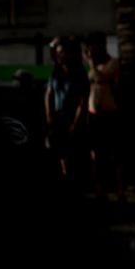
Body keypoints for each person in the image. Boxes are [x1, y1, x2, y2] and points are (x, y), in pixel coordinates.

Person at [83, 33, 126, 204]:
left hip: (110, 113)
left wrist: (91, 63)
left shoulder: (112, 63)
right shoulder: (92, 66)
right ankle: (100, 190)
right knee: (97, 154)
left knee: (116, 154)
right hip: (94, 114)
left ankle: (120, 190)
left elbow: (101, 77)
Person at [44, 37, 89, 181]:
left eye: (62, 52)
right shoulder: (56, 72)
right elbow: (49, 94)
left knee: (73, 153)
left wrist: (75, 123)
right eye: (58, 52)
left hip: (72, 117)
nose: (59, 55)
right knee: (59, 152)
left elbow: (82, 102)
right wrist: (49, 115)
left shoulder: (79, 74)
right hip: (57, 117)